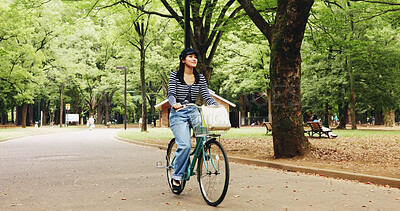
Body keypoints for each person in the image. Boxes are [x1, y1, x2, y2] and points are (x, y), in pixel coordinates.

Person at [168, 48, 218, 194]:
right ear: (183, 60)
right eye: (190, 57)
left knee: (206, 136)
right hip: (178, 113)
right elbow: (171, 94)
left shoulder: (200, 78)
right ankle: (177, 176)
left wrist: (215, 105)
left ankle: (202, 153)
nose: (194, 59)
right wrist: (174, 103)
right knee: (184, 145)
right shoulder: (175, 76)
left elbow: (206, 96)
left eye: (195, 57)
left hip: (194, 111)